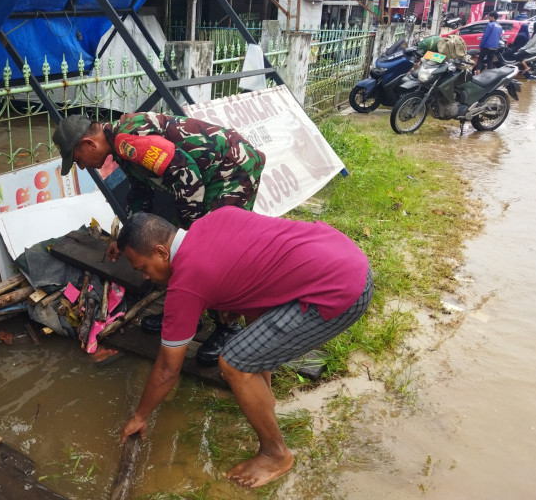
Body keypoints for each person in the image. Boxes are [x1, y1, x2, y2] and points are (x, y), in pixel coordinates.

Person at [117, 208, 373, 488]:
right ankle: (265, 399)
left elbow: (168, 368)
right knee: (251, 338)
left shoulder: (186, 282)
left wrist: (139, 416)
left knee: (234, 363)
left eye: (142, 268)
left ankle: (276, 454)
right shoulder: (213, 219)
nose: (144, 276)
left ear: (161, 252)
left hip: (342, 289)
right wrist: (234, 301)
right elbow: (255, 258)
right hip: (344, 253)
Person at [53, 113, 266, 365]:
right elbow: (140, 192)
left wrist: (191, 234)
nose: (82, 166)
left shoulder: (127, 140)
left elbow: (188, 177)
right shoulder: (122, 148)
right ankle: (191, 312)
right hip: (205, 179)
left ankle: (227, 328)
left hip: (232, 171)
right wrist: (124, 239)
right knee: (183, 247)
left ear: (89, 144)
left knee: (212, 251)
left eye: (78, 160)